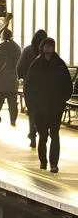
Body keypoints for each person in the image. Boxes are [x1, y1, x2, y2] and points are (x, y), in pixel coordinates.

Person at [23, 37, 73, 173]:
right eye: (46, 46)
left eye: (51, 46)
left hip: (55, 107)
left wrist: (62, 101)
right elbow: (28, 86)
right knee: (43, 136)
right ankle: (43, 161)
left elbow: (68, 86)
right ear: (42, 47)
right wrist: (31, 105)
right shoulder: (36, 64)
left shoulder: (60, 64)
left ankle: (54, 164)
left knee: (54, 135)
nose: (48, 49)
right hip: (39, 107)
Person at [17, 28, 47, 148]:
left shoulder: (28, 50)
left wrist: (24, 78)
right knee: (44, 111)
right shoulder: (46, 51)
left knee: (33, 112)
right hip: (45, 87)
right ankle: (43, 132)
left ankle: (33, 135)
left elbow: (19, 67)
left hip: (30, 86)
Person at [0, 27, 21, 126]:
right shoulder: (16, 47)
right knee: (12, 103)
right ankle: (13, 120)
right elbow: (19, 63)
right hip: (12, 80)